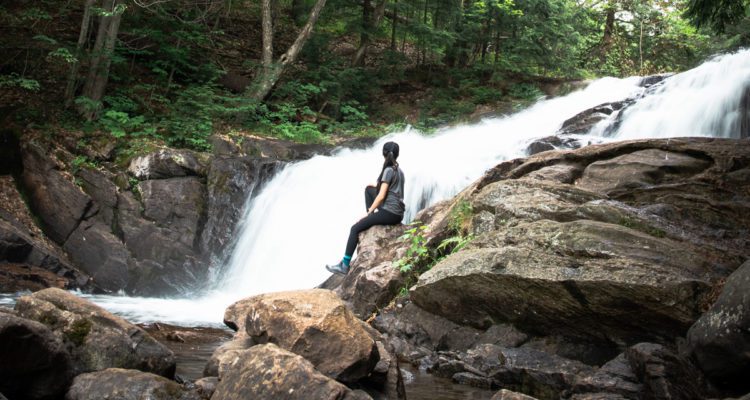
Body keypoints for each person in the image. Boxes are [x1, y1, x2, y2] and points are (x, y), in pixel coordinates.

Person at [326, 141, 405, 275]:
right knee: (369, 189)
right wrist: (374, 187)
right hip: (398, 213)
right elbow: (388, 192)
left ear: (383, 153)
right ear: (397, 155)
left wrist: (368, 213)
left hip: (390, 213)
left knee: (355, 228)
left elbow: (381, 195)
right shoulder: (399, 171)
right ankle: (373, 216)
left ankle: (344, 265)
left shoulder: (388, 170)